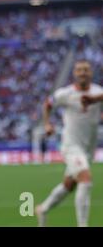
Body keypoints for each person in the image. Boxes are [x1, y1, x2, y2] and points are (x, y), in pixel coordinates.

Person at [36, 60, 103, 227]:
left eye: (86, 70)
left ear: (91, 73)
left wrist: (94, 99)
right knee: (85, 179)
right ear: (74, 73)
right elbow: (48, 104)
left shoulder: (98, 92)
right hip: (71, 145)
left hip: (88, 147)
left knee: (69, 185)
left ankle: (43, 209)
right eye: (79, 70)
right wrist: (47, 124)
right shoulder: (65, 94)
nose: (83, 73)